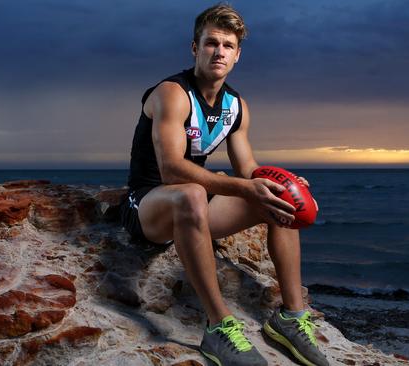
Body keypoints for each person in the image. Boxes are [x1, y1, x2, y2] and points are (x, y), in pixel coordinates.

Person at [120, 4, 329, 366]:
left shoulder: (237, 106)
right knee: (190, 192)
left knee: (281, 199)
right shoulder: (172, 93)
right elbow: (171, 170)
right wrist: (243, 187)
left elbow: (248, 168)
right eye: (211, 43)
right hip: (151, 203)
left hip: (198, 206)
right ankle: (218, 327)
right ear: (195, 48)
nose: (219, 51)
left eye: (228, 45)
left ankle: (290, 319)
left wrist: (286, 183)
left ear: (237, 55)